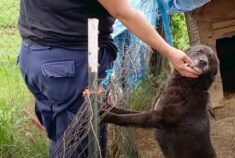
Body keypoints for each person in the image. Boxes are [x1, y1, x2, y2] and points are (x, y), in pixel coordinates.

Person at [18, 0, 200, 157]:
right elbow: (124, 13)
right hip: (69, 66)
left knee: (63, 142)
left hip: (36, 56)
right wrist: (170, 52)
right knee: (81, 146)